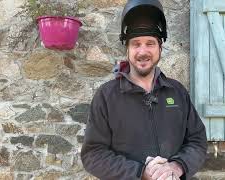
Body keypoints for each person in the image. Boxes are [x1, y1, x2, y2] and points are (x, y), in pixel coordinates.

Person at [81, 0, 207, 179]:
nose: (143, 51)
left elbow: (197, 141)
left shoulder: (177, 92)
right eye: (136, 43)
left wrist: (177, 166)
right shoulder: (107, 96)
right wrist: (141, 173)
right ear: (127, 49)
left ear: (160, 48)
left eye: (150, 43)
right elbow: (93, 154)